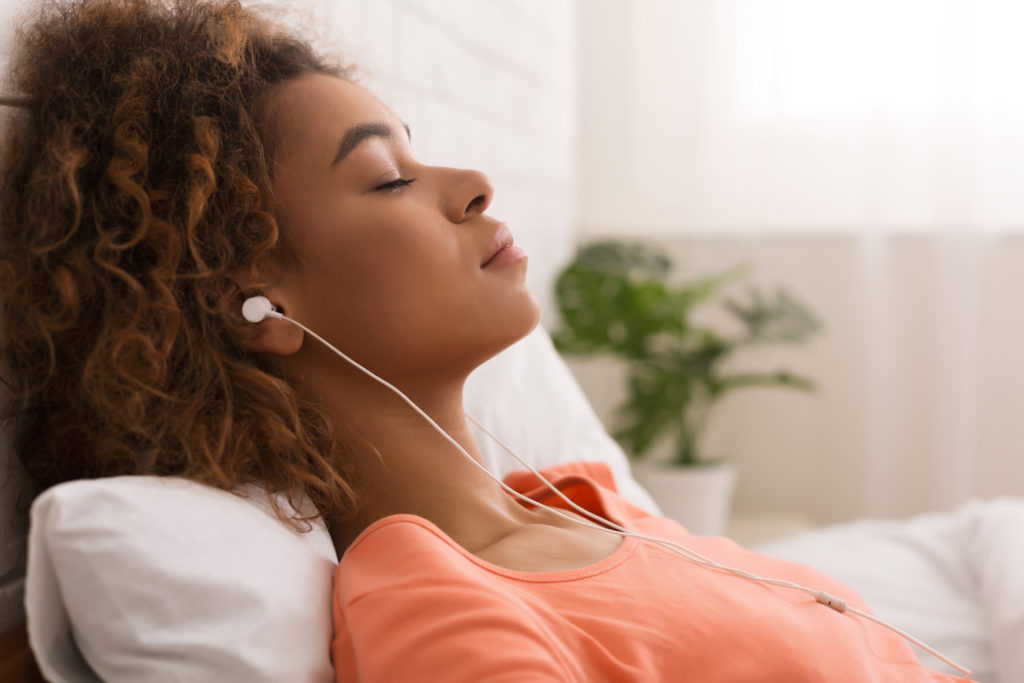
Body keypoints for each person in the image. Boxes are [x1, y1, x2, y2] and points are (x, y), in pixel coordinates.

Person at [0, 1, 973, 680]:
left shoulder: (579, 496)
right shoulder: (430, 602)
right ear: (254, 302)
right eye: (387, 178)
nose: (470, 182)